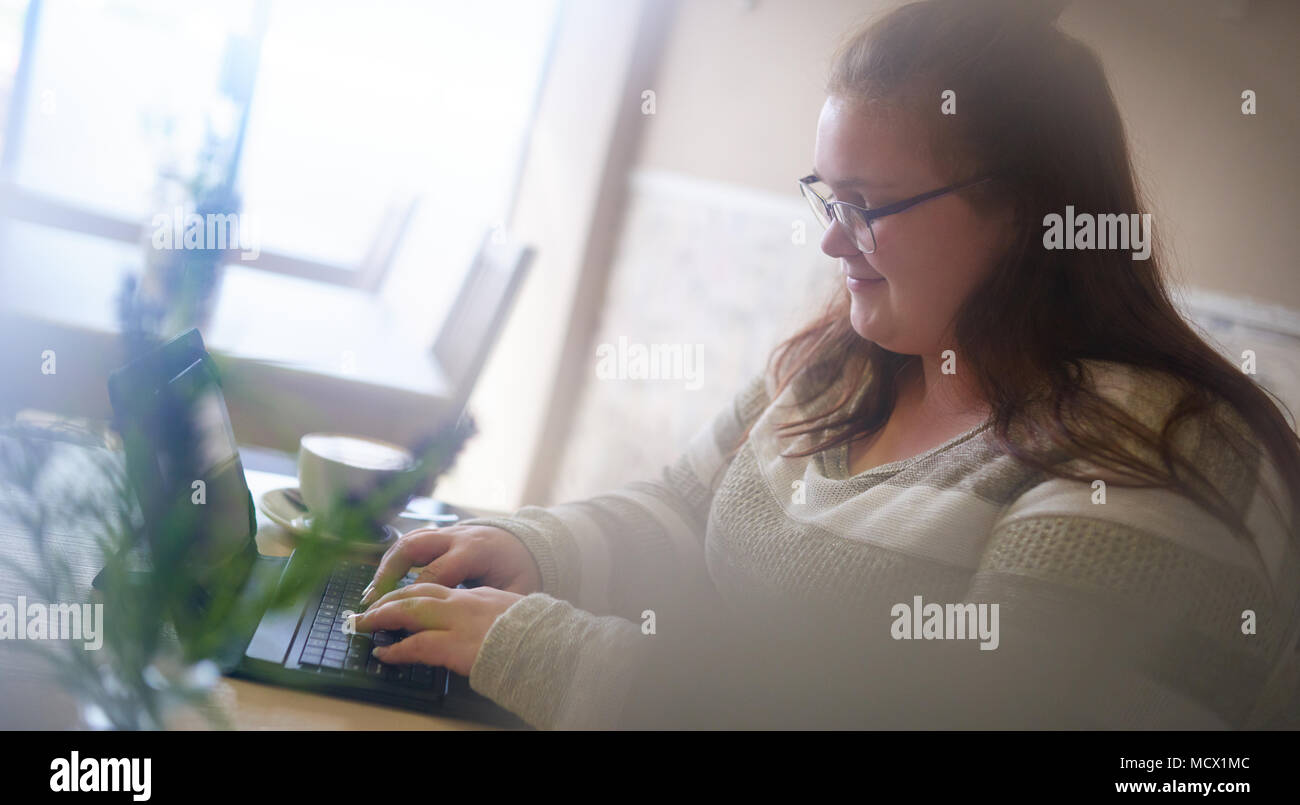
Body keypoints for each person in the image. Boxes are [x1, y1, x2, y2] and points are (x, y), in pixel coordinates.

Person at [351, 0, 1300, 729]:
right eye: (825, 198)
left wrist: (556, 653)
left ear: (1023, 212)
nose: (833, 244)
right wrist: (536, 548)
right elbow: (685, 508)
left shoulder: (1156, 458)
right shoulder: (851, 363)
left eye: (867, 204)